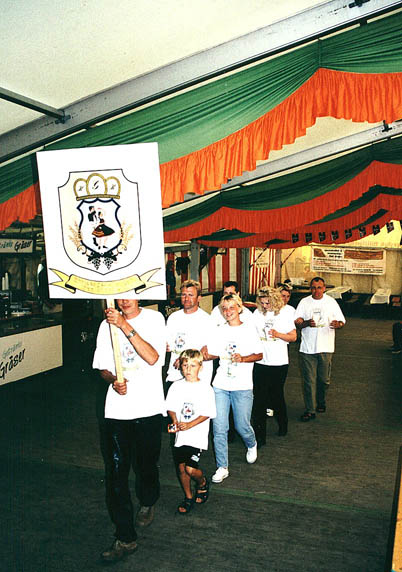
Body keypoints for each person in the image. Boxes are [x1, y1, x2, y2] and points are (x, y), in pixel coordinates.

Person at [93, 299, 166, 563]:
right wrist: (114, 380)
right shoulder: (105, 325)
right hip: (117, 410)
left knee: (145, 465)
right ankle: (125, 537)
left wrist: (123, 325)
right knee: (115, 472)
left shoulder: (154, 319)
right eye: (119, 295)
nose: (124, 300)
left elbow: (153, 357)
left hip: (148, 409)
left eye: (128, 294)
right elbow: (102, 367)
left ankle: (148, 500)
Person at [204, 293, 263, 483]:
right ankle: (222, 466)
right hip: (220, 385)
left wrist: (243, 358)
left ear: (239, 308)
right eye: (224, 308)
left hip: (242, 386)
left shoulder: (249, 330)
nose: (228, 311)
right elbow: (211, 353)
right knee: (219, 428)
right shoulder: (219, 330)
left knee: (241, 426)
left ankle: (251, 443)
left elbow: (259, 355)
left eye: (231, 307)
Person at [166, 349, 216, 514]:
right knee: (181, 468)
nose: (188, 369)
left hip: (197, 436)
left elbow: (208, 413)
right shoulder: (176, 386)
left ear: (200, 367)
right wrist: (174, 420)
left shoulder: (205, 388)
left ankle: (202, 483)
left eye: (192, 366)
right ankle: (188, 497)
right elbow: (171, 407)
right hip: (181, 436)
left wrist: (190, 424)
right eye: (185, 365)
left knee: (190, 469)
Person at [294, 277, 346, 422]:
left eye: (319, 287)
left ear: (324, 288)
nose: (316, 290)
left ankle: (321, 401)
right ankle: (310, 410)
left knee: (323, 380)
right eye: (313, 287)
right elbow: (297, 322)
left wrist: (338, 324)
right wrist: (305, 323)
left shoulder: (331, 302)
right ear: (310, 289)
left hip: (326, 347)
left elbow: (342, 321)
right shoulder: (304, 302)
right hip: (307, 349)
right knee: (309, 381)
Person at [251, 286, 297, 444]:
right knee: (259, 398)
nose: (265, 306)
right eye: (262, 303)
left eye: (268, 303)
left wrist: (278, 334)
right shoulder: (257, 314)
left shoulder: (284, 313)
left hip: (279, 362)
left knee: (276, 395)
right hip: (260, 361)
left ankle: (283, 424)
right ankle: (260, 436)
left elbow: (293, 337)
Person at [166, 280, 213, 389]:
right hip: (175, 374)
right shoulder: (173, 318)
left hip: (198, 377)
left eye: (191, 295)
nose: (186, 298)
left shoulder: (207, 320)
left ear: (199, 298)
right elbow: (168, 345)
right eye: (184, 295)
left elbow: (211, 351)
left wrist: (184, 360)